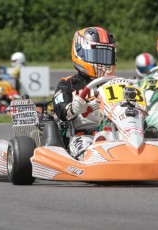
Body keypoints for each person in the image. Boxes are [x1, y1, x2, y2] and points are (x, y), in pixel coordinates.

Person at [53, 26, 117, 159]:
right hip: (83, 136)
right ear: (79, 53)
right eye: (97, 56)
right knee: (88, 151)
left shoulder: (116, 83)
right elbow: (60, 110)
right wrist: (72, 109)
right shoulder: (67, 84)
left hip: (115, 135)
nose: (102, 62)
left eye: (106, 57)